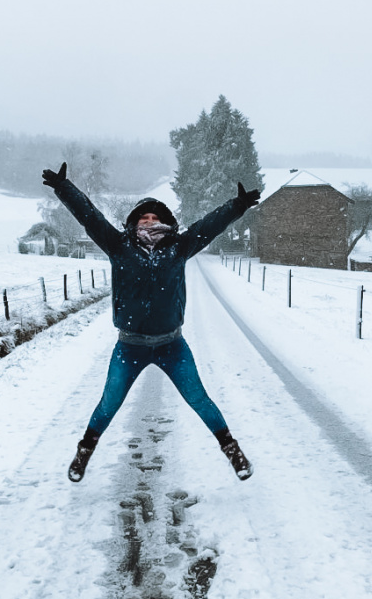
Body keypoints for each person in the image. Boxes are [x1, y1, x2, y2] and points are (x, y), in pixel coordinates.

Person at [41, 162, 261, 483]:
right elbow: (89, 217)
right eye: (144, 217)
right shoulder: (119, 246)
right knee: (109, 402)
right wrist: (64, 188)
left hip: (172, 345)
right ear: (133, 223)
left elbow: (210, 225)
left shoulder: (179, 247)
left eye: (155, 217)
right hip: (129, 346)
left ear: (166, 223)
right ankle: (84, 451)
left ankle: (233, 451)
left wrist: (237, 205)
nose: (150, 220)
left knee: (199, 398)